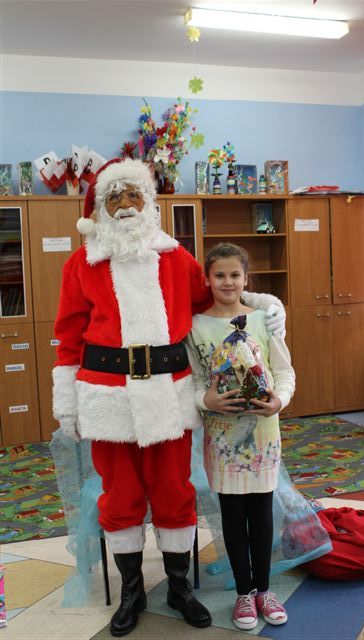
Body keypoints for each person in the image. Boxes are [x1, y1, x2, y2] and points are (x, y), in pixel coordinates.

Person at [52, 158, 286, 637]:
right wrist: (67, 402)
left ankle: (180, 588)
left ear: (148, 203)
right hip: (108, 396)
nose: (125, 205)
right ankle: (132, 593)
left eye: (133, 195)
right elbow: (69, 338)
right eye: (114, 197)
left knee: (174, 493)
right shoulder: (81, 264)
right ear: (99, 209)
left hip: (168, 394)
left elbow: (217, 296)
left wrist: (264, 304)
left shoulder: (175, 258)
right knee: (120, 497)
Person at [185, 242, 296, 631]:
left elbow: (284, 370)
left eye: (235, 275)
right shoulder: (196, 325)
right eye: (220, 275)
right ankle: (244, 594)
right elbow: (193, 381)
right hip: (222, 437)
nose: (228, 282)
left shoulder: (264, 319)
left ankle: (264, 589)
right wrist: (206, 400)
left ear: (246, 278)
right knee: (232, 515)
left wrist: (279, 400)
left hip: (263, 433)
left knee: (262, 513)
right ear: (207, 279)